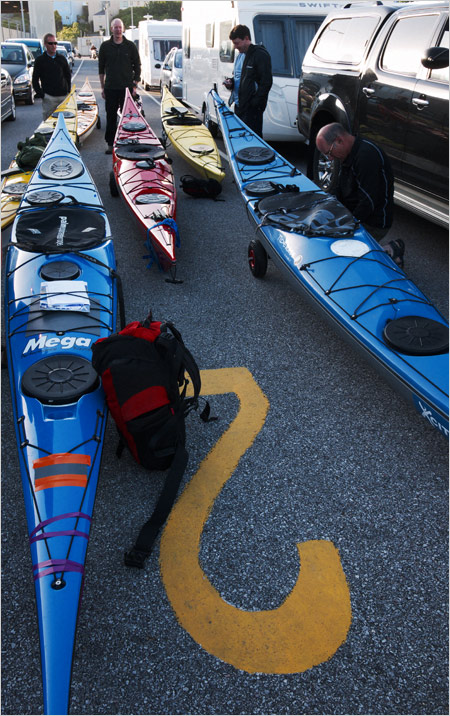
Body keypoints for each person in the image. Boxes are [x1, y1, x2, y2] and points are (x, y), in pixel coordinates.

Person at [315, 122, 404, 266]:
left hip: (374, 221)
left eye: (329, 153)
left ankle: (390, 250)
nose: (330, 158)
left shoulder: (366, 156)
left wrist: (347, 226)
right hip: (354, 212)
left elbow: (368, 202)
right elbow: (337, 188)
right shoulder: (344, 154)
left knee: (344, 254)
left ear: (339, 140)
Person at [98, 18, 141, 154]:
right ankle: (110, 144)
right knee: (110, 117)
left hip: (127, 89)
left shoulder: (130, 46)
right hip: (110, 88)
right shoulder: (105, 47)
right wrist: (102, 87)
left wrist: (135, 85)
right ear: (111, 29)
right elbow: (101, 69)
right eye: (115, 27)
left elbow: (137, 66)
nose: (118, 30)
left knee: (127, 118)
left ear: (123, 29)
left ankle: (126, 143)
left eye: (120, 27)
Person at [225, 24, 272, 138]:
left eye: (237, 43)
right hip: (239, 106)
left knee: (252, 141)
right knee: (240, 139)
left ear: (246, 38)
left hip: (252, 109)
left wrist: (255, 103)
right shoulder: (240, 56)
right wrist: (231, 83)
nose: (235, 47)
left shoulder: (260, 54)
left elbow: (266, 82)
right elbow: (240, 78)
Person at [32, 33, 72, 121]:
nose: (53, 46)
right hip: (49, 98)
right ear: (45, 44)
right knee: (49, 123)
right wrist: (42, 95)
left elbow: (68, 76)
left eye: (55, 43)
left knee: (66, 122)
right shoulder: (40, 61)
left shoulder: (62, 59)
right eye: (51, 43)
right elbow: (35, 80)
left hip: (63, 97)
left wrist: (68, 90)